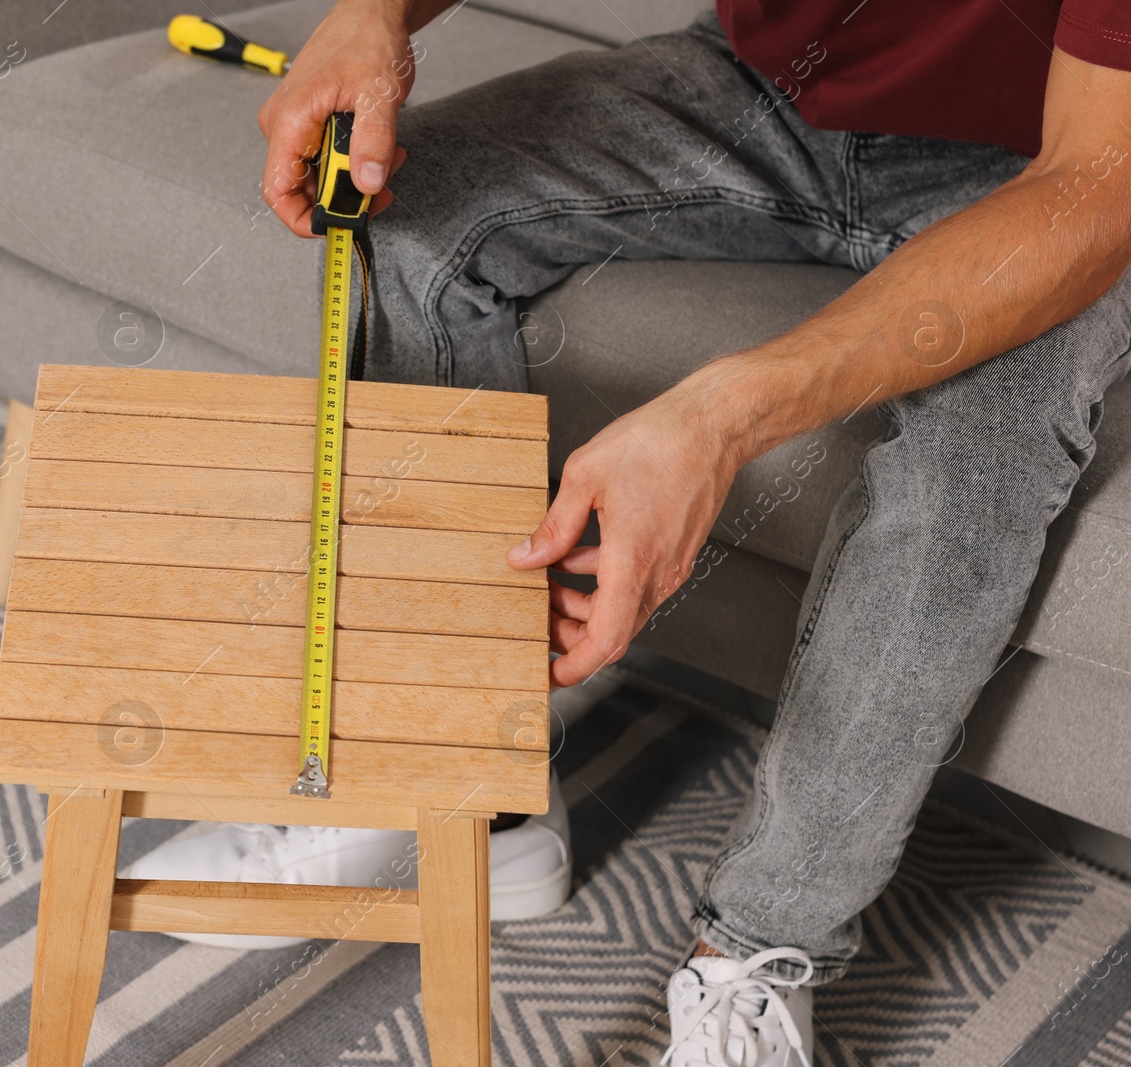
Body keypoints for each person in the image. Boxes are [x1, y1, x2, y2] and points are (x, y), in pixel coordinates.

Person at [125, 1, 1131, 1063]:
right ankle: (471, 789)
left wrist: (720, 416)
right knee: (403, 214)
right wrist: (375, 13)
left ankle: (760, 948)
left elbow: (1095, 183)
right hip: (768, 88)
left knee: (980, 447)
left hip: (1049, 168)